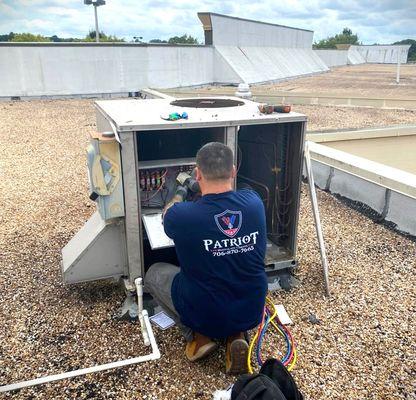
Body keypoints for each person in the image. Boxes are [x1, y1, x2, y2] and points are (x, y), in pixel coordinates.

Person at [145, 142, 267, 374]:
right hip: (251, 308)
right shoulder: (254, 203)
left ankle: (199, 338)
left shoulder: (182, 216)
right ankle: (236, 337)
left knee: (154, 272)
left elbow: (167, 213)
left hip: (204, 309)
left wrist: (182, 190)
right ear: (233, 171)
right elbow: (228, 202)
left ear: (198, 173)